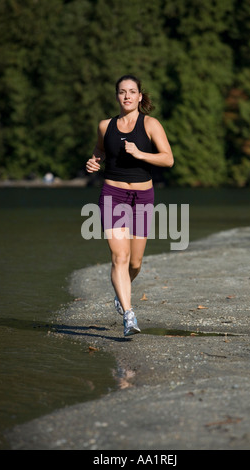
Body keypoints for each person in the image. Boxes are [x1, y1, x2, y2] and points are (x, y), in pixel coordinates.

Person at [86, 74, 173, 336]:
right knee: (119, 257)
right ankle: (129, 313)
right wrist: (93, 161)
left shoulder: (151, 125)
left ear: (139, 96)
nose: (127, 96)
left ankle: (121, 293)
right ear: (117, 96)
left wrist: (139, 154)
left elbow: (168, 159)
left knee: (135, 263)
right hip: (113, 194)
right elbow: (100, 150)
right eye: (122, 92)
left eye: (132, 92)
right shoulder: (105, 126)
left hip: (143, 198)